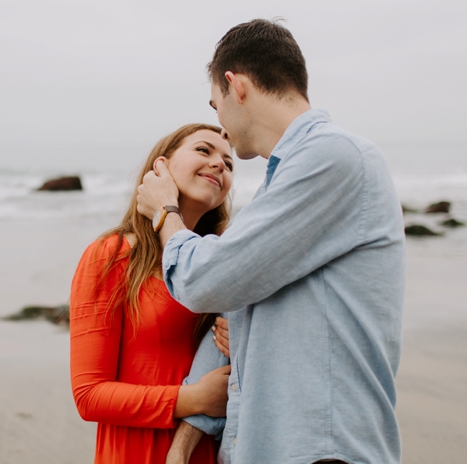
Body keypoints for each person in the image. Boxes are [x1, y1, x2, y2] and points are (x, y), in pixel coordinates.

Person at [141, 19, 405, 464]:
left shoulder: (332, 157)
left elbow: (207, 280)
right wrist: (183, 447)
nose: (221, 125)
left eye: (215, 104)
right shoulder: (285, 180)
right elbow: (232, 308)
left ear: (235, 86)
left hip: (321, 452)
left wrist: (166, 212)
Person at [69, 123, 236, 464]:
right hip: (136, 452)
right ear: (159, 168)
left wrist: (247, 345)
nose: (220, 164)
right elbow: (89, 396)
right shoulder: (111, 255)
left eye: (230, 163)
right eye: (204, 150)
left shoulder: (223, 265)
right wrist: (195, 399)